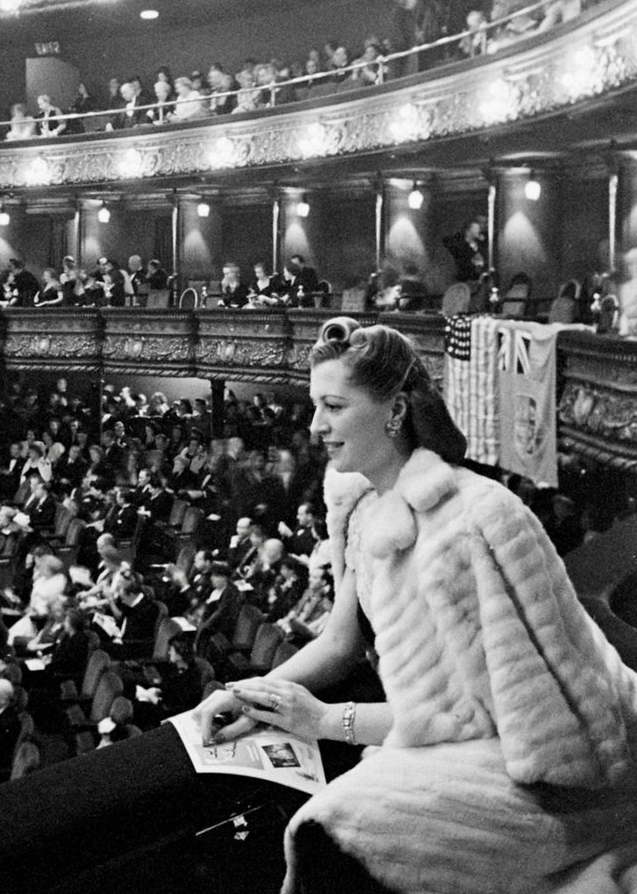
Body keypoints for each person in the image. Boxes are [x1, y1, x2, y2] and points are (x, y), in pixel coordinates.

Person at [194, 317, 637, 894]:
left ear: (395, 412)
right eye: (314, 405)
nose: (315, 425)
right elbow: (339, 640)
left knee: (330, 832)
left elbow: (513, 725)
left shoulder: (479, 521)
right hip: (445, 734)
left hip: (563, 770)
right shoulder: (357, 504)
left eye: (333, 406)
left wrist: (330, 721)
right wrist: (252, 694)